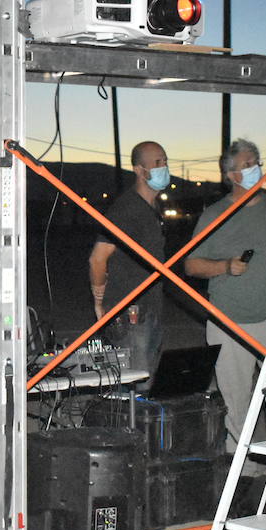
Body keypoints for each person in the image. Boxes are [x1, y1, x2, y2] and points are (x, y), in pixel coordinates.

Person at [184, 139, 266, 449]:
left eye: (257, 161)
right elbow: (191, 265)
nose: (257, 168)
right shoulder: (215, 215)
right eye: (248, 163)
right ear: (232, 175)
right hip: (228, 323)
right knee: (237, 405)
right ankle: (244, 473)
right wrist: (225, 265)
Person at [88, 140, 170, 386]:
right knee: (135, 387)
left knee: (148, 382)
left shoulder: (153, 207)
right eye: (157, 163)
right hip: (130, 313)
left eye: (165, 161)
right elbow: (97, 258)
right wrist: (100, 300)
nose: (163, 167)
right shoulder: (127, 208)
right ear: (139, 170)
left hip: (151, 309)